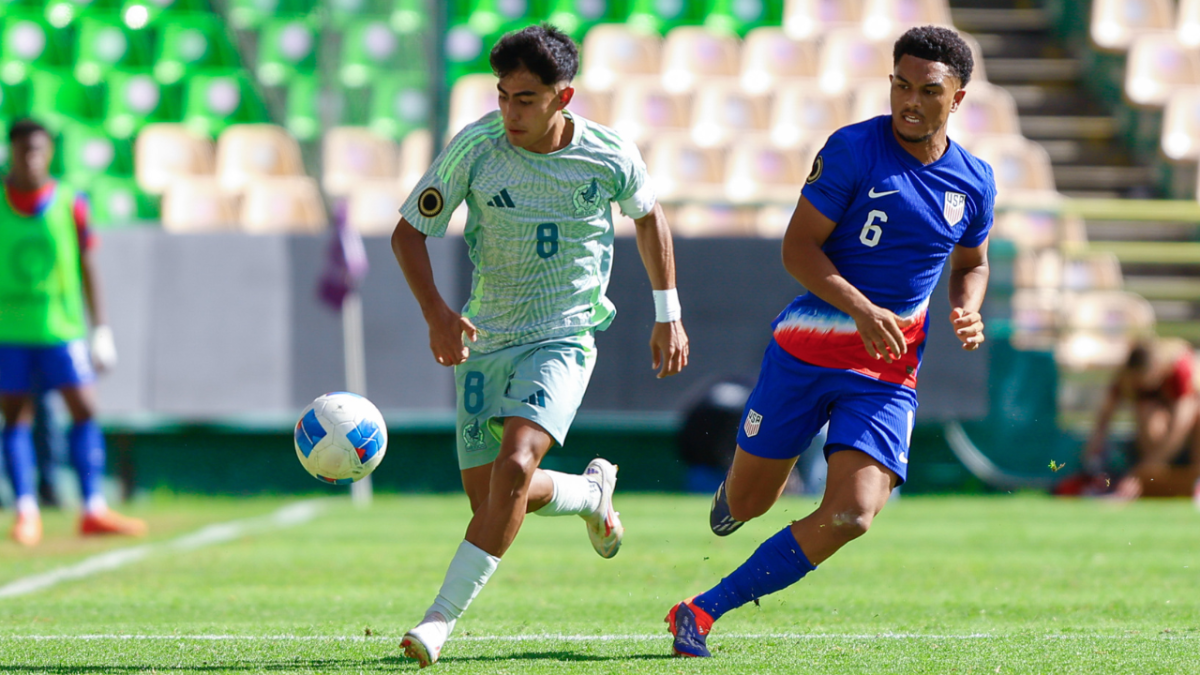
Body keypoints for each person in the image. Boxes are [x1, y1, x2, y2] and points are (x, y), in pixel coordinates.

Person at [665, 26, 994, 657]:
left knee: (853, 513)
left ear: (957, 98)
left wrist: (967, 308)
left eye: (928, 90)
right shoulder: (851, 150)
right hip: (807, 349)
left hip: (887, 369)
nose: (909, 102)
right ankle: (735, 490)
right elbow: (798, 248)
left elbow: (971, 264)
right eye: (900, 84)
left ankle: (701, 611)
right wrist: (863, 308)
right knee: (750, 501)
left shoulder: (974, 181)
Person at [391, 24, 689, 667]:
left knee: (517, 468)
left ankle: (437, 621)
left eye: (525, 99)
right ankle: (588, 495)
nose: (509, 112)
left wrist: (669, 314)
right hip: (483, 339)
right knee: (494, 501)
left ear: (564, 97)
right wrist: (438, 315)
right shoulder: (475, 147)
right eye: (502, 96)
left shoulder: (609, 154)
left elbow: (648, 215)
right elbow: (408, 233)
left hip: (563, 335)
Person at [0, 119, 145, 546]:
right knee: (15, 418)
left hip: (62, 330)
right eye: (24, 150)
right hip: (11, 331)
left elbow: (87, 266)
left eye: (39, 150)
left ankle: (92, 507)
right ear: (11, 151)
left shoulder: (70, 203)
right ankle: (26, 509)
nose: (31, 158)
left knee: (84, 409)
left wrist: (100, 328)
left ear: (49, 153)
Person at [1079, 337, 1200, 499]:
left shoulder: (1179, 367)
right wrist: (1094, 444)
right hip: (1158, 432)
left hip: (1190, 421)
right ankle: (1153, 480)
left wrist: (1150, 464)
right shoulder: (1127, 376)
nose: (1141, 385)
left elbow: (1181, 424)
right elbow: (1105, 414)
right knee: (1146, 413)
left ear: (1157, 369)